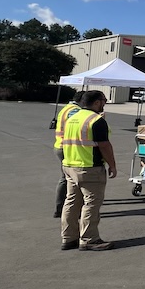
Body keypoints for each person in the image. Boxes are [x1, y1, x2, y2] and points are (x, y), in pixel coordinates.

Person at [60, 90, 116, 251]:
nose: (104, 104)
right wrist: (112, 165)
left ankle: (68, 237)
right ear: (97, 102)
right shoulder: (96, 120)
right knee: (91, 204)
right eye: (104, 100)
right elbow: (104, 145)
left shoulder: (72, 118)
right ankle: (89, 239)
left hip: (69, 165)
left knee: (71, 203)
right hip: (89, 167)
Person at [52, 90, 84, 218]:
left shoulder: (67, 108)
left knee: (65, 177)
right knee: (69, 178)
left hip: (60, 145)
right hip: (67, 148)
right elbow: (79, 126)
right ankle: (62, 208)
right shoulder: (75, 111)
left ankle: (61, 207)